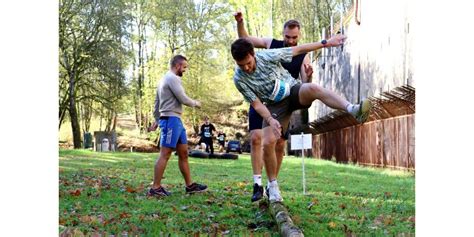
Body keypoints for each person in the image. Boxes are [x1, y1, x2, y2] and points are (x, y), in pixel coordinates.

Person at [230, 36, 371, 203]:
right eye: (241, 65)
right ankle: (272, 187)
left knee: (312, 88)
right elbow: (256, 104)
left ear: (253, 54)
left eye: (248, 63)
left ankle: (352, 109)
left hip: (293, 90)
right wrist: (270, 119)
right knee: (268, 142)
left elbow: (299, 50)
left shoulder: (267, 56)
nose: (246, 68)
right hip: (275, 106)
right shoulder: (239, 79)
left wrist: (325, 43)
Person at [234, 11, 314, 202]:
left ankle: (273, 185)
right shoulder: (272, 45)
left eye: (294, 37)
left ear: (299, 36)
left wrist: (309, 76)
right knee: (256, 138)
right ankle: (257, 183)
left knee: (279, 143)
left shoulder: (303, 55)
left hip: (283, 102)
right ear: (283, 33)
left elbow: (304, 83)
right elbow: (245, 41)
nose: (291, 40)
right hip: (262, 99)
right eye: (287, 36)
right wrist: (240, 22)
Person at [147, 54, 208, 197]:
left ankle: (190, 186)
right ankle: (155, 188)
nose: (185, 70)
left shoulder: (164, 79)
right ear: (177, 66)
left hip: (176, 120)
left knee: (183, 153)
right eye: (184, 67)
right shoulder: (172, 78)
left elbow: (157, 103)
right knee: (165, 154)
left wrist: (157, 119)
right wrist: (196, 103)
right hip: (170, 121)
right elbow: (183, 98)